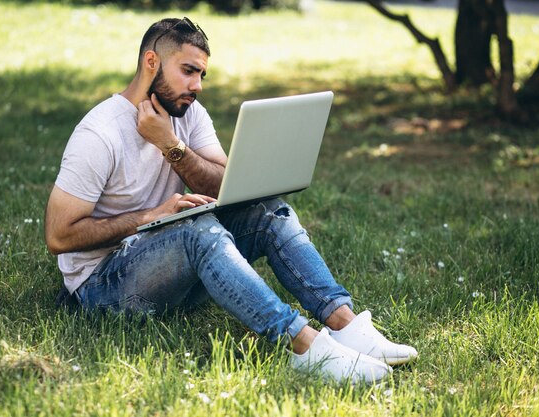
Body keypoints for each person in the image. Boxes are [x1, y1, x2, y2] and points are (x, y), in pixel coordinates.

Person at [44, 17, 417, 384]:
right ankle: (305, 347)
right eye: (188, 71)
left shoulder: (187, 114)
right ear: (151, 62)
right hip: (106, 287)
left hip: (177, 272)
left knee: (267, 211)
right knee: (197, 231)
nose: (198, 85)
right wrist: (151, 216)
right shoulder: (99, 132)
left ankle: (345, 325)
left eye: (202, 74)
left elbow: (228, 184)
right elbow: (59, 237)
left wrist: (171, 146)